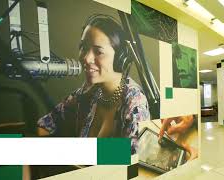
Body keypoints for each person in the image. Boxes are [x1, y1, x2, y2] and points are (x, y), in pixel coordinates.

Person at [36, 14, 151, 154]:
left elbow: (132, 157)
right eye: (83, 48)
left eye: (98, 51)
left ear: (120, 58)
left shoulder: (135, 102)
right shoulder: (89, 91)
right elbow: (47, 124)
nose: (86, 58)